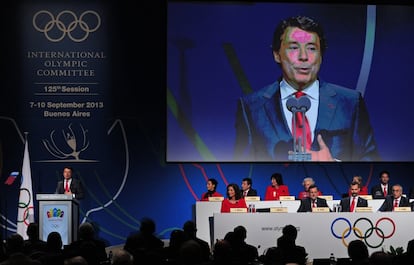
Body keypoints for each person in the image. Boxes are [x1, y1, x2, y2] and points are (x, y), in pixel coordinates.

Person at [234, 15, 379, 162]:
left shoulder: (350, 103)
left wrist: (334, 164)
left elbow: (371, 162)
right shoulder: (251, 107)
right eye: (294, 47)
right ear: (277, 55)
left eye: (311, 48)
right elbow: (243, 166)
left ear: (321, 55)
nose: (303, 56)